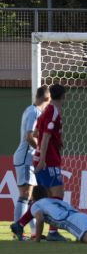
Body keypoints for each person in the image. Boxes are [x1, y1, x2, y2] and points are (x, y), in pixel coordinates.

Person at [14, 84, 69, 242]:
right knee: (56, 195)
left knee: (44, 197)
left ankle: (21, 224)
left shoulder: (44, 112)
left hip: (40, 157)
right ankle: (52, 232)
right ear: (63, 96)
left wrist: (57, 140)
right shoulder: (52, 112)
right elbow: (42, 136)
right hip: (47, 159)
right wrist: (43, 158)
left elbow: (38, 132)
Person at [12, 86, 50, 240]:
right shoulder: (34, 112)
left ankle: (34, 232)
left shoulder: (32, 110)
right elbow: (29, 136)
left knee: (32, 196)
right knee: (25, 195)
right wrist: (41, 151)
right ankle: (18, 231)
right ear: (47, 98)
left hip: (28, 158)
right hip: (26, 157)